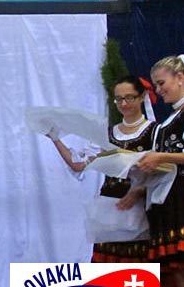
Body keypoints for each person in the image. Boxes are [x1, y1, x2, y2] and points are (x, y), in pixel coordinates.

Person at [47, 76, 155, 263]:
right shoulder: (108, 134)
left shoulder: (155, 131)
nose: (124, 103)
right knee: (107, 271)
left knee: (138, 271)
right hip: (111, 207)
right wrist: (55, 137)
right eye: (119, 99)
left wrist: (139, 190)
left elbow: (163, 173)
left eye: (129, 97)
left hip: (141, 207)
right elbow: (78, 164)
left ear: (141, 97)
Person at [137, 55, 184, 287]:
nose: (159, 90)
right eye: (155, 85)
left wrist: (161, 157)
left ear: (180, 77)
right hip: (167, 204)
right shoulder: (167, 122)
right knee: (175, 279)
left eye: (162, 83)